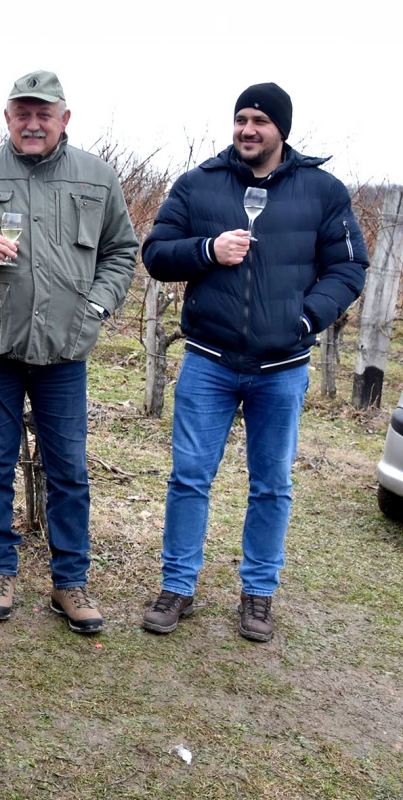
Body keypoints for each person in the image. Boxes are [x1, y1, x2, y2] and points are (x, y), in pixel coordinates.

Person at [141, 83, 368, 641]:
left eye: (260, 120)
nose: (247, 129)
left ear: (281, 130)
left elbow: (349, 267)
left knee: (271, 484)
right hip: (208, 361)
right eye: (241, 118)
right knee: (190, 477)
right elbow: (155, 254)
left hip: (283, 367)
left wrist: (307, 319)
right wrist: (206, 250)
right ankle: (177, 587)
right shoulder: (198, 184)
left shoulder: (323, 191)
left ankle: (259, 594)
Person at [0, 69, 137, 634]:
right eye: (23, 112)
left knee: (68, 469)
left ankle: (70, 582)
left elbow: (122, 252)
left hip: (65, 351)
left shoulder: (97, 178)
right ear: (7, 118)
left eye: (44, 113)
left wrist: (96, 307)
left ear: (64, 119)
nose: (33, 122)